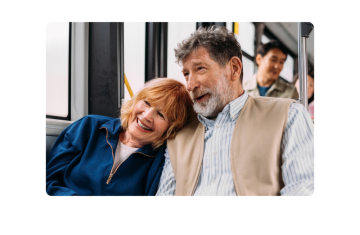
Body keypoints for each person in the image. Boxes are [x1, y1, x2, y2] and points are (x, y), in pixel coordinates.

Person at [156, 26, 315, 197]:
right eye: (186, 74)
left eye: (200, 68)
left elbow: (302, 188)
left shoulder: (289, 115)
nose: (190, 85)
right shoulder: (178, 137)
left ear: (234, 68)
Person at [45, 78, 194, 197]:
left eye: (161, 115)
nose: (147, 116)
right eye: (147, 103)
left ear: (171, 128)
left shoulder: (161, 162)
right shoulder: (88, 127)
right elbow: (49, 179)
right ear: (136, 100)